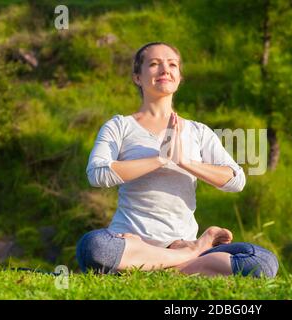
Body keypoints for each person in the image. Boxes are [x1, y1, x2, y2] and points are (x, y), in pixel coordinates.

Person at [76, 42, 279, 278]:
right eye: (154, 64)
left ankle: (164, 263)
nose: (165, 69)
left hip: (178, 241)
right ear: (137, 78)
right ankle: (187, 258)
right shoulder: (120, 126)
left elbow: (236, 180)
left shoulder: (197, 131)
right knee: (95, 247)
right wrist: (160, 159)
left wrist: (185, 162)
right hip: (131, 243)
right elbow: (98, 174)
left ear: (179, 77)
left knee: (261, 262)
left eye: (172, 64)